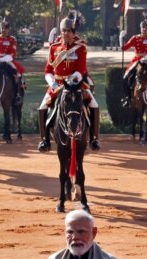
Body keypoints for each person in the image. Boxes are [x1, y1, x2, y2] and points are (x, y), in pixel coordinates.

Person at [37, 11, 100, 153]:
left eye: (69, 31)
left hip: (76, 83)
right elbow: (48, 70)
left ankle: (94, 138)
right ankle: (44, 140)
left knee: (94, 105)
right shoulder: (54, 47)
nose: (66, 33)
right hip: (58, 85)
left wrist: (72, 80)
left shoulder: (80, 47)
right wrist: (52, 82)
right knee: (42, 108)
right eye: (64, 30)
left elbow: (81, 69)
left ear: (73, 32)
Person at [119, 13, 147, 108]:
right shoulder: (135, 38)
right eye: (143, 27)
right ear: (140, 28)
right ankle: (128, 98)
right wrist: (121, 38)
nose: (144, 29)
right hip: (137, 61)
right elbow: (123, 48)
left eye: (146, 28)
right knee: (125, 78)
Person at [0, 18, 26, 104]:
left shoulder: (12, 39)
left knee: (17, 73)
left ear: (8, 29)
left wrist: (4, 59)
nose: (3, 30)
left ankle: (17, 93)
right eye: (2, 28)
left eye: (5, 28)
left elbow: (13, 53)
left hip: (8, 59)